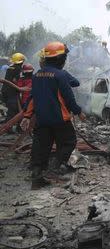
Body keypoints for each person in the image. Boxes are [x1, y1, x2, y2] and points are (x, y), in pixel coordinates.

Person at [21, 42, 86, 190]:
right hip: (59, 118)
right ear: (60, 59)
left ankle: (37, 179)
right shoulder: (61, 75)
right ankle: (60, 165)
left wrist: (27, 115)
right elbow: (69, 97)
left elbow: (32, 97)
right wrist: (78, 111)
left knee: (40, 147)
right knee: (69, 141)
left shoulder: (37, 75)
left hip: (42, 120)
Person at [1, 53, 26, 123]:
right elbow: (14, 80)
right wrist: (21, 88)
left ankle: (10, 124)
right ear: (21, 61)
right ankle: (8, 128)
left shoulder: (10, 67)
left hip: (4, 90)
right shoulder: (18, 69)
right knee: (13, 110)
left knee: (12, 109)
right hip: (11, 92)